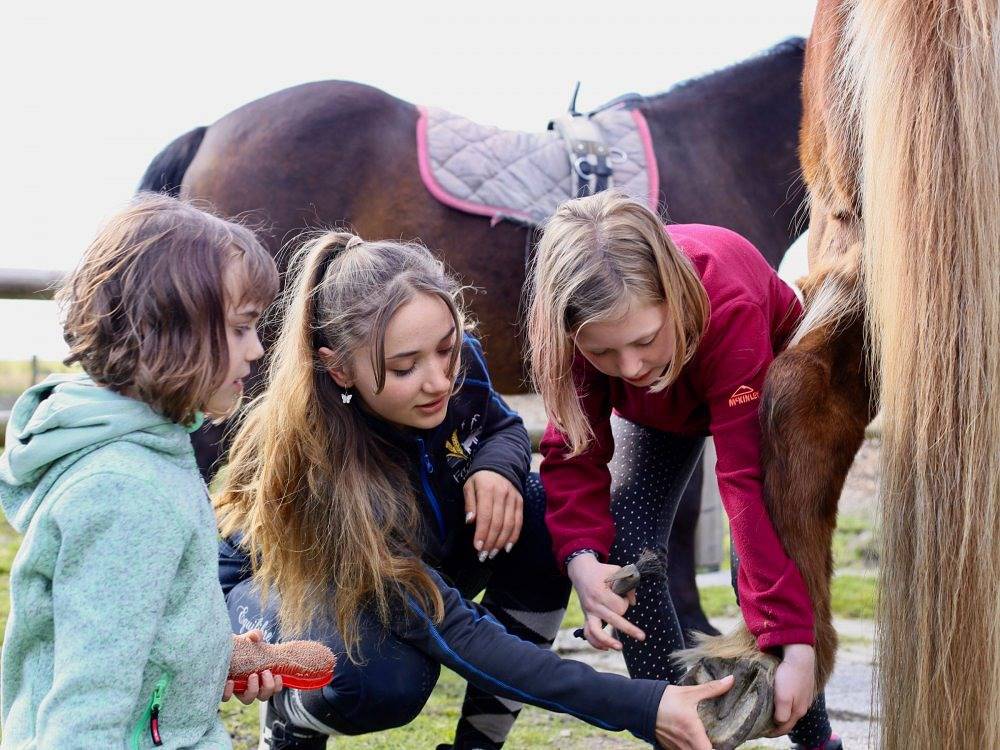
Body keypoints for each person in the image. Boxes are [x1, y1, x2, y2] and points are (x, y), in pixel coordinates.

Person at [214, 231, 733, 750]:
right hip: (274, 590)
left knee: (538, 506)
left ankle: (478, 745)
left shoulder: (457, 372)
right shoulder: (329, 468)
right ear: (340, 368)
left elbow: (502, 426)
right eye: (404, 367)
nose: (439, 380)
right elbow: (457, 633)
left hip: (416, 556)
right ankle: (293, 720)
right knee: (385, 680)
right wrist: (641, 705)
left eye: (447, 350)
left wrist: (495, 468)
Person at [527, 191, 841, 750]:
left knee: (773, 539)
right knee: (628, 538)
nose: (629, 367)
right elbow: (573, 449)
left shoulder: (728, 299)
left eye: (644, 339)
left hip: (761, 382)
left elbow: (745, 480)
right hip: (659, 416)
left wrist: (794, 642)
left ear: (672, 295)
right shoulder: (576, 328)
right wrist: (581, 562)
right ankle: (677, 731)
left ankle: (818, 740)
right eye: (603, 354)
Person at [0, 194, 283, 749]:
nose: (257, 349)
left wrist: (209, 654)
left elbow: (132, 622)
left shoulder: (151, 449)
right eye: (242, 327)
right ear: (170, 330)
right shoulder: (129, 493)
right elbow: (88, 703)